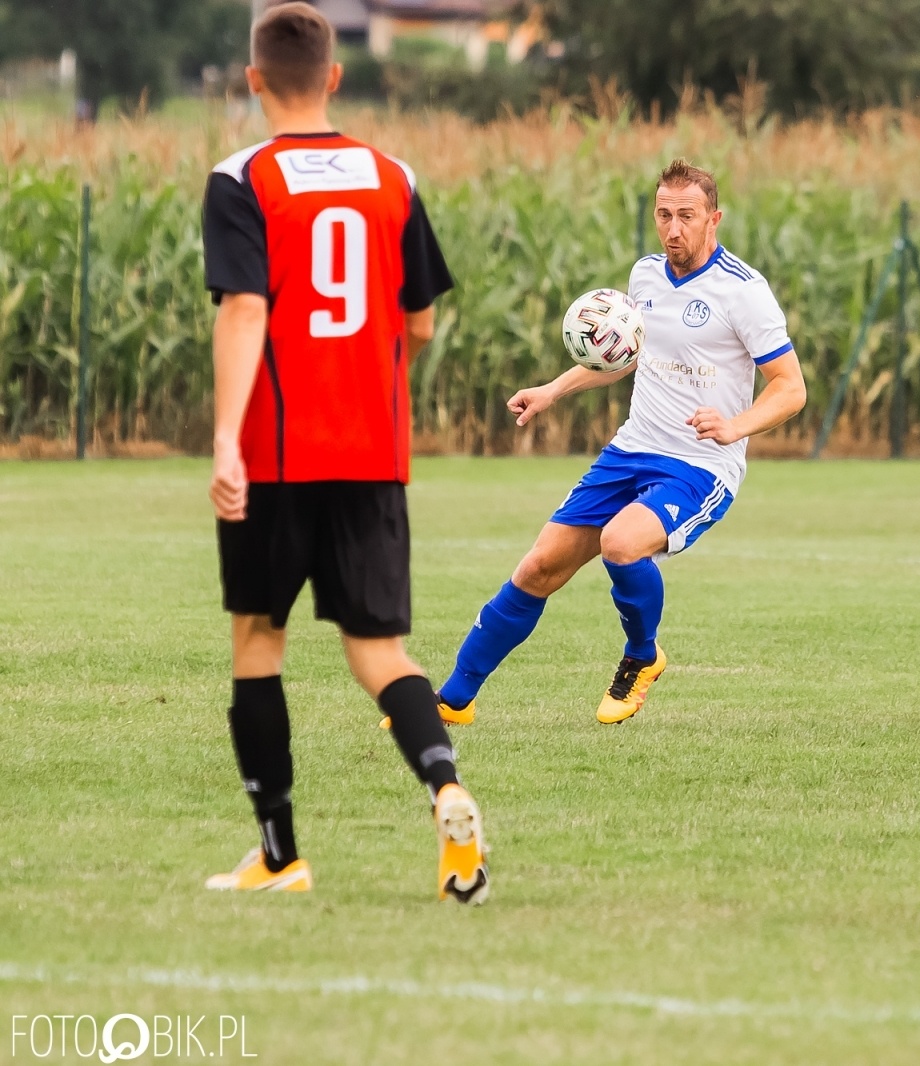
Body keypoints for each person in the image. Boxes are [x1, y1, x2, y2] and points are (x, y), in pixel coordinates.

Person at [201, 3, 487, 903]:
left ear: (255, 81)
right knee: (381, 651)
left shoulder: (241, 176)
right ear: (334, 76)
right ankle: (446, 787)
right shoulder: (390, 177)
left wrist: (222, 438)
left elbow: (244, 308)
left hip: (277, 454)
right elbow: (424, 319)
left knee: (260, 640)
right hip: (372, 454)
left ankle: (281, 855)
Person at [429, 160, 806, 726]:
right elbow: (618, 359)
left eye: (686, 215)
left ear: (714, 218)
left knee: (622, 542)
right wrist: (553, 391)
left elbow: (791, 387)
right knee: (537, 569)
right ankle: (452, 701)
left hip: (700, 464)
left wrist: (736, 426)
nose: (673, 228)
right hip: (631, 450)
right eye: (663, 215)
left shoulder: (743, 291)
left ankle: (642, 656)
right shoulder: (645, 276)